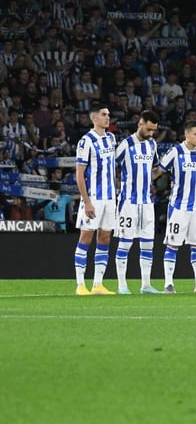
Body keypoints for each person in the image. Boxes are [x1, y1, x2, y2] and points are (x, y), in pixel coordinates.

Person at [158, 121, 196, 294]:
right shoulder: (175, 152)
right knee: (173, 244)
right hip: (178, 207)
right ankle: (168, 284)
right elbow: (159, 171)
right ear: (187, 134)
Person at [73, 104, 118, 295]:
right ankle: (80, 285)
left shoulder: (111, 139)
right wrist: (87, 201)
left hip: (110, 198)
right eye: (103, 114)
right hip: (94, 198)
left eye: (108, 114)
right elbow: (79, 174)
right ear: (94, 118)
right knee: (86, 237)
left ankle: (98, 284)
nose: (107, 117)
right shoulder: (86, 141)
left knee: (105, 238)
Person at [113, 110, 160, 295]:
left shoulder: (152, 145)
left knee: (148, 244)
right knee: (125, 243)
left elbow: (154, 168)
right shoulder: (125, 145)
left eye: (154, 130)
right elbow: (112, 167)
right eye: (149, 129)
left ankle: (146, 285)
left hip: (147, 203)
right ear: (140, 124)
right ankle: (122, 286)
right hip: (128, 203)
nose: (151, 133)